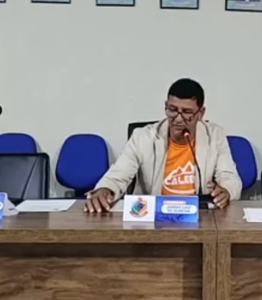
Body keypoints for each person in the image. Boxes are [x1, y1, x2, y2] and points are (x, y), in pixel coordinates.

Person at [85, 78, 241, 213]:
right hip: (153, 215)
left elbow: (230, 178)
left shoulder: (214, 136)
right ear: (166, 106)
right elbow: (118, 175)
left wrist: (226, 191)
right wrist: (104, 190)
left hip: (198, 216)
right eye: (172, 110)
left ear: (201, 113)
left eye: (187, 112)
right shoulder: (143, 137)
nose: (178, 119)